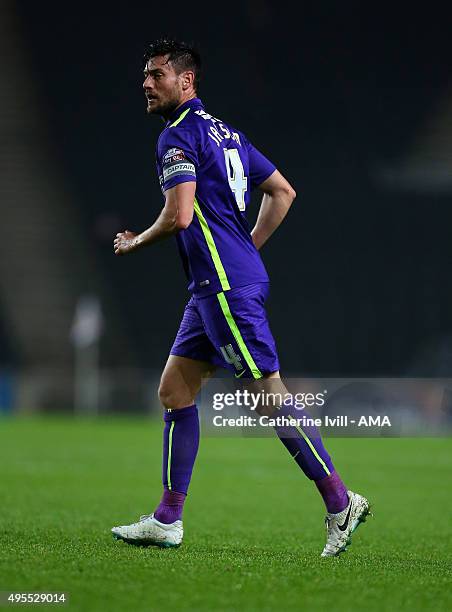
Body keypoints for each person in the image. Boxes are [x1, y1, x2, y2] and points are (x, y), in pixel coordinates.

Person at [112, 38, 370, 557]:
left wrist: (136, 240)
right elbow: (284, 192)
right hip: (219, 283)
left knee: (267, 398)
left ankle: (341, 502)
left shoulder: (178, 136)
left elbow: (180, 215)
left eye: (156, 74)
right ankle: (167, 520)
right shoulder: (226, 133)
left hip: (224, 287)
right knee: (175, 391)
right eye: (144, 75)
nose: (146, 83)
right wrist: (247, 247)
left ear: (186, 81)